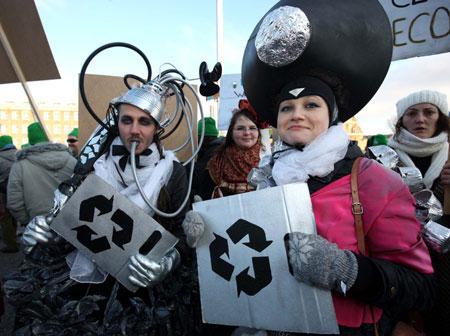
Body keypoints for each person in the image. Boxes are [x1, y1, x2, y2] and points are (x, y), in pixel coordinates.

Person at [185, 1, 435, 335]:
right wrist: (209, 235)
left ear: (332, 114)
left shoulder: (372, 180)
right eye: (287, 107)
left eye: (311, 104)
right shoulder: (266, 176)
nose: (297, 114)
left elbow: (420, 288)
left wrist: (346, 270)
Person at [14, 81, 202, 334]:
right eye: (127, 121)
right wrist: (43, 233)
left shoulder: (172, 171)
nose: (134, 130)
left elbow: (179, 232)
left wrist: (167, 262)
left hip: (139, 287)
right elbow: (65, 221)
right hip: (84, 285)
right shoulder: (94, 164)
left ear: (156, 127)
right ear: (117, 123)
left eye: (144, 122)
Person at [7, 122, 76, 226]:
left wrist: (29, 223)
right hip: (69, 224)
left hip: (38, 227)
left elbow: (14, 203)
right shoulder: (72, 161)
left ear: (30, 139)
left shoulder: (20, 165)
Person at [388, 90, 449, 203]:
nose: (420, 119)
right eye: (411, 113)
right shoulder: (383, 156)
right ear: (402, 120)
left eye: (429, 112)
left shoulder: (449, 155)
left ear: (440, 118)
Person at [206, 102, 262, 199]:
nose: (247, 133)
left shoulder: (269, 161)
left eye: (252, 128)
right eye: (240, 128)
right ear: (231, 133)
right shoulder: (217, 162)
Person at [191, 117, 224, 200]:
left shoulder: (212, 153)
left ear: (205, 137)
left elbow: (199, 175)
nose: (197, 141)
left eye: (198, 137)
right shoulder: (215, 148)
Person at [0, 135, 19, 253]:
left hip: (3, 191)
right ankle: (15, 236)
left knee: (5, 218)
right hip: (18, 190)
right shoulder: (20, 155)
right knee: (15, 214)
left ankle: (11, 244)